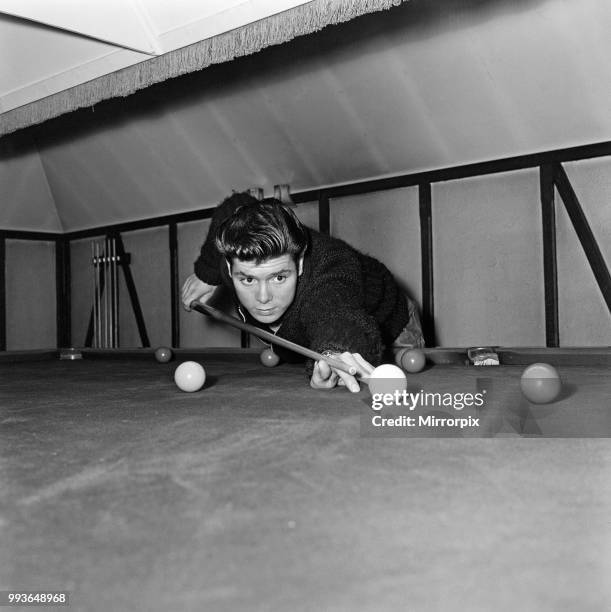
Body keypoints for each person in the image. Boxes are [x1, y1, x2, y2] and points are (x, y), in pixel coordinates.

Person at [181, 192, 424, 392]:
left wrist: (334, 351)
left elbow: (336, 314)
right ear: (228, 266)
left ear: (298, 264)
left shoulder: (330, 270)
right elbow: (236, 205)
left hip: (390, 321)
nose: (263, 297)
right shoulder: (234, 256)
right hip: (315, 326)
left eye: (278, 277)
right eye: (248, 280)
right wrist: (207, 274)